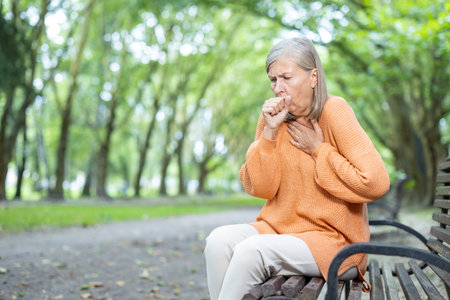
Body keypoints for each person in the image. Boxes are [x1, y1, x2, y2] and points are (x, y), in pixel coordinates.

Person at [204, 36, 390, 300]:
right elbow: (260, 187)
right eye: (273, 79)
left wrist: (320, 151)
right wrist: (268, 133)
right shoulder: (271, 119)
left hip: (334, 241)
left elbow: (376, 182)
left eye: (286, 78)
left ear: (313, 77)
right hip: (279, 229)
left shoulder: (334, 111)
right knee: (217, 241)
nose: (278, 88)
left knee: (251, 251)